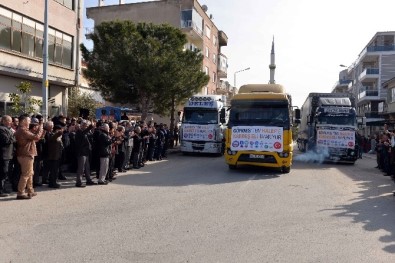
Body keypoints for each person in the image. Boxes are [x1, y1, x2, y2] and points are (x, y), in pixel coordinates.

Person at [15, 114, 43, 199]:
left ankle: (30, 190)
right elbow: (36, 137)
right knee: (26, 174)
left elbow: (33, 139)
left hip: (26, 154)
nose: (30, 121)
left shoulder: (22, 130)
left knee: (30, 173)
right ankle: (20, 192)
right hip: (26, 155)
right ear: (23, 121)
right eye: (28, 120)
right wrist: (40, 127)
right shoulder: (23, 130)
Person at [75, 120, 96, 187]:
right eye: (85, 125)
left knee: (87, 167)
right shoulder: (79, 131)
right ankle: (79, 182)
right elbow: (82, 134)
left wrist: (91, 129)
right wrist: (90, 127)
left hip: (86, 152)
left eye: (86, 125)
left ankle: (88, 180)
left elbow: (90, 136)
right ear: (82, 125)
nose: (85, 126)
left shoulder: (86, 132)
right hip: (81, 152)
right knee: (81, 168)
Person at [0, 115, 16, 197]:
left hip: (9, 155)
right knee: (3, 173)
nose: (11, 122)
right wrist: (13, 136)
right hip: (4, 155)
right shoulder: (1, 129)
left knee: (6, 173)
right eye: (9, 121)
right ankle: (0, 191)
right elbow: (6, 140)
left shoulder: (8, 129)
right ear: (4, 121)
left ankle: (4, 188)